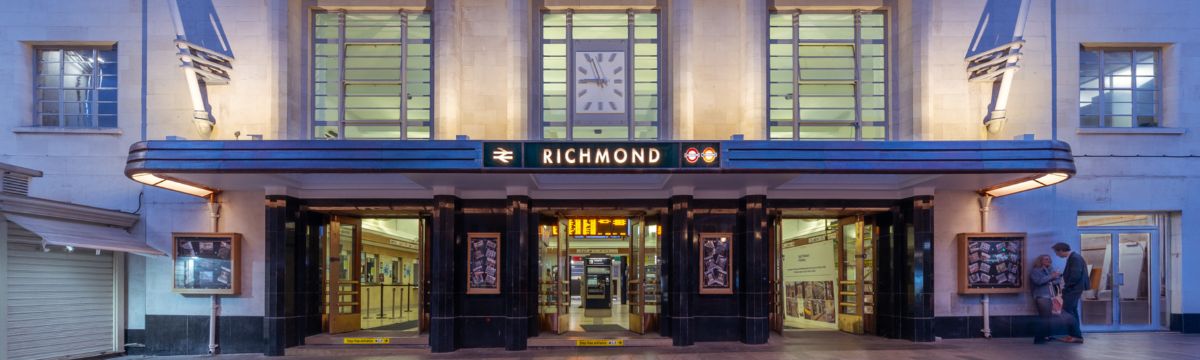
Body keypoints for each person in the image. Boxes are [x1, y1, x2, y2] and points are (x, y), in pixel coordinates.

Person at [1053, 242, 1089, 344]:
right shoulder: (1073, 257)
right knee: (1071, 311)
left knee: (1068, 311)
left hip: (1073, 289)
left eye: (1056, 252)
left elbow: (1075, 275)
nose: (1056, 255)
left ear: (1061, 250)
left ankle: (1076, 336)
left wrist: (1067, 287)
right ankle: (1073, 335)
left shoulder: (1074, 258)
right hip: (1074, 288)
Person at [1029, 254, 1061, 344]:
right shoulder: (1035, 271)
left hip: (1050, 297)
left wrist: (1052, 277)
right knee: (1044, 317)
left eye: (1049, 259)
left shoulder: (1050, 269)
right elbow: (1039, 281)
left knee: (1048, 317)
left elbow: (1057, 280)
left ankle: (1046, 336)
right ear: (1040, 261)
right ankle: (1038, 338)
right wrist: (1051, 277)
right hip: (1041, 297)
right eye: (1046, 259)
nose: (1048, 261)